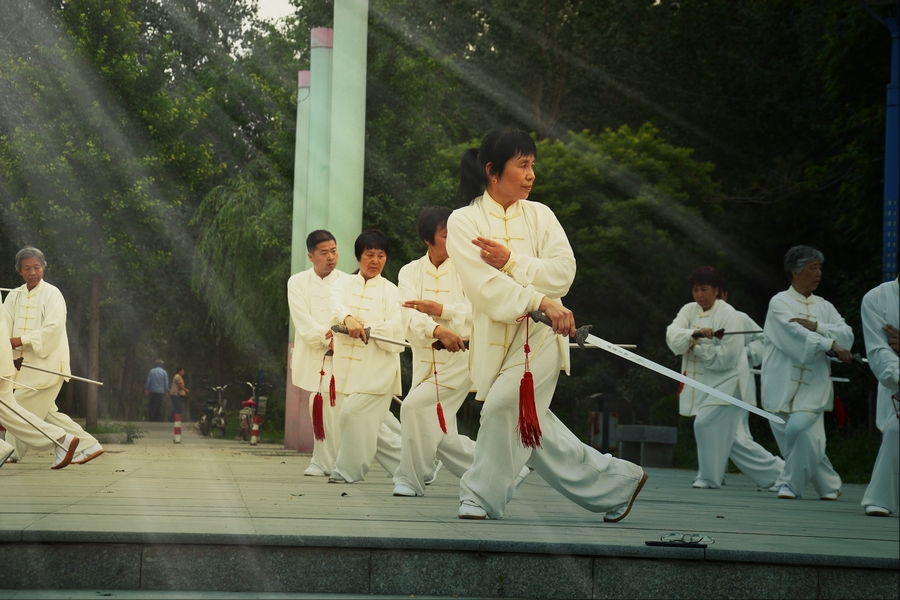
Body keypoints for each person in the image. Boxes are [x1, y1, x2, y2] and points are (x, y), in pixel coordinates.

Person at [446, 128, 646, 521]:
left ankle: (478, 495)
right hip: (492, 340)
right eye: (522, 165)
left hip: (539, 336)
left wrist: (512, 262)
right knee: (529, 423)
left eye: (532, 165)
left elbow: (563, 275)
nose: (531, 174)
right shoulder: (463, 221)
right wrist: (539, 299)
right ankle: (617, 484)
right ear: (492, 170)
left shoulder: (541, 215)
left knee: (505, 405)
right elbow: (484, 288)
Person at [666, 267, 783, 490]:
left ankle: (709, 478)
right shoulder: (689, 310)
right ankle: (782, 474)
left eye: (704, 289)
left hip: (729, 382)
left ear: (718, 290)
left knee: (705, 423)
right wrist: (695, 334)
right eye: (695, 290)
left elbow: (726, 359)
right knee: (734, 439)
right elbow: (672, 335)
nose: (699, 295)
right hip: (701, 383)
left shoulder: (730, 314)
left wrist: (697, 346)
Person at [392, 207, 478, 497]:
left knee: (414, 407)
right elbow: (408, 316)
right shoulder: (410, 271)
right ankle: (500, 469)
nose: (454, 240)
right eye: (446, 235)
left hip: (461, 357)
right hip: (424, 359)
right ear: (428, 239)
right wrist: (436, 330)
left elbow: (481, 312)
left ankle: (408, 479)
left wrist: (443, 311)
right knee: (439, 432)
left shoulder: (470, 267)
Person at [761, 245, 853, 500]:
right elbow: (793, 334)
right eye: (813, 268)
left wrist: (818, 326)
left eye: (820, 268)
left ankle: (789, 484)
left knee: (798, 430)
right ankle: (830, 485)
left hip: (814, 382)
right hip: (780, 380)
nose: (819, 273)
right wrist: (829, 343)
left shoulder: (825, 306)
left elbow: (848, 334)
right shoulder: (779, 302)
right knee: (805, 441)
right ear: (795, 271)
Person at [2, 246, 103, 465]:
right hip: (23, 370)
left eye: (37, 267)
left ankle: (14, 450)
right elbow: (4, 326)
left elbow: (54, 328)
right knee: (46, 414)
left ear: (43, 268)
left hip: (48, 367)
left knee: (15, 405)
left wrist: (22, 340)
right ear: (20, 271)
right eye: (27, 268)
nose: (33, 272)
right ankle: (89, 444)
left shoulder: (52, 293)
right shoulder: (13, 296)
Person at [328, 229, 404, 484]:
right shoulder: (342, 283)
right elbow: (334, 305)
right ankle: (416, 468)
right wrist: (347, 318)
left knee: (351, 414)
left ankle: (347, 470)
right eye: (369, 254)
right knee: (374, 427)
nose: (375, 260)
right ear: (358, 257)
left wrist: (369, 328)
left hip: (377, 371)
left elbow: (398, 327)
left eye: (381, 255)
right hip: (347, 372)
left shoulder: (392, 291)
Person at [287, 230, 346, 476]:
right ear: (311, 256)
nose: (331, 257)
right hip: (315, 353)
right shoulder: (297, 282)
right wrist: (325, 338)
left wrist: (338, 338)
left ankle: (329, 461)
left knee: (349, 409)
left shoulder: (346, 281)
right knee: (321, 404)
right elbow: (302, 321)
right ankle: (323, 460)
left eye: (334, 251)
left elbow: (346, 315)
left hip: (343, 355)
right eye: (324, 253)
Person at [0, 294, 80, 469]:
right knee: (9, 411)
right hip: (2, 358)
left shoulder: (52, 295)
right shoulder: (13, 297)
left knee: (9, 411)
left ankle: (61, 439)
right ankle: (61, 439)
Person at [859, 275, 899, 516]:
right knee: (895, 430)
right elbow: (879, 350)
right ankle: (880, 499)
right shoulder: (877, 299)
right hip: (897, 386)